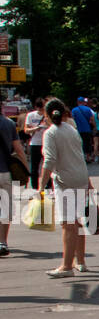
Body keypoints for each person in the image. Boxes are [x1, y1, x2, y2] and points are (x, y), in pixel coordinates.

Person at [37, 99, 93, 276]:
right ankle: (81, 261)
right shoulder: (72, 129)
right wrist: (89, 182)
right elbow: (79, 156)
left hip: (65, 181)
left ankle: (66, 266)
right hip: (81, 178)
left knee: (68, 224)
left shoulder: (51, 133)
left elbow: (50, 160)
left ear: (46, 115)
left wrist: (41, 184)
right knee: (78, 221)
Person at [0, 109, 29, 257]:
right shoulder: (8, 123)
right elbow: (18, 149)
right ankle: (2, 242)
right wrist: (26, 170)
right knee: (5, 208)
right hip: (5, 173)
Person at [24, 97, 47, 188]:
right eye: (40, 107)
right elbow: (26, 130)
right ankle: (34, 187)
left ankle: (48, 186)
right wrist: (36, 128)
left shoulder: (47, 115)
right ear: (36, 107)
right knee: (34, 167)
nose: (41, 109)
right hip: (35, 143)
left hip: (46, 143)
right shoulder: (31, 115)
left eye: (43, 107)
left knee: (47, 166)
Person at [70, 97, 96, 163]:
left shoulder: (74, 110)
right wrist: (95, 127)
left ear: (78, 102)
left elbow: (72, 119)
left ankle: (80, 157)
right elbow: (92, 120)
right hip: (87, 129)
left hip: (78, 130)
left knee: (79, 143)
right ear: (83, 102)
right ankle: (87, 157)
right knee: (87, 143)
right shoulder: (88, 109)